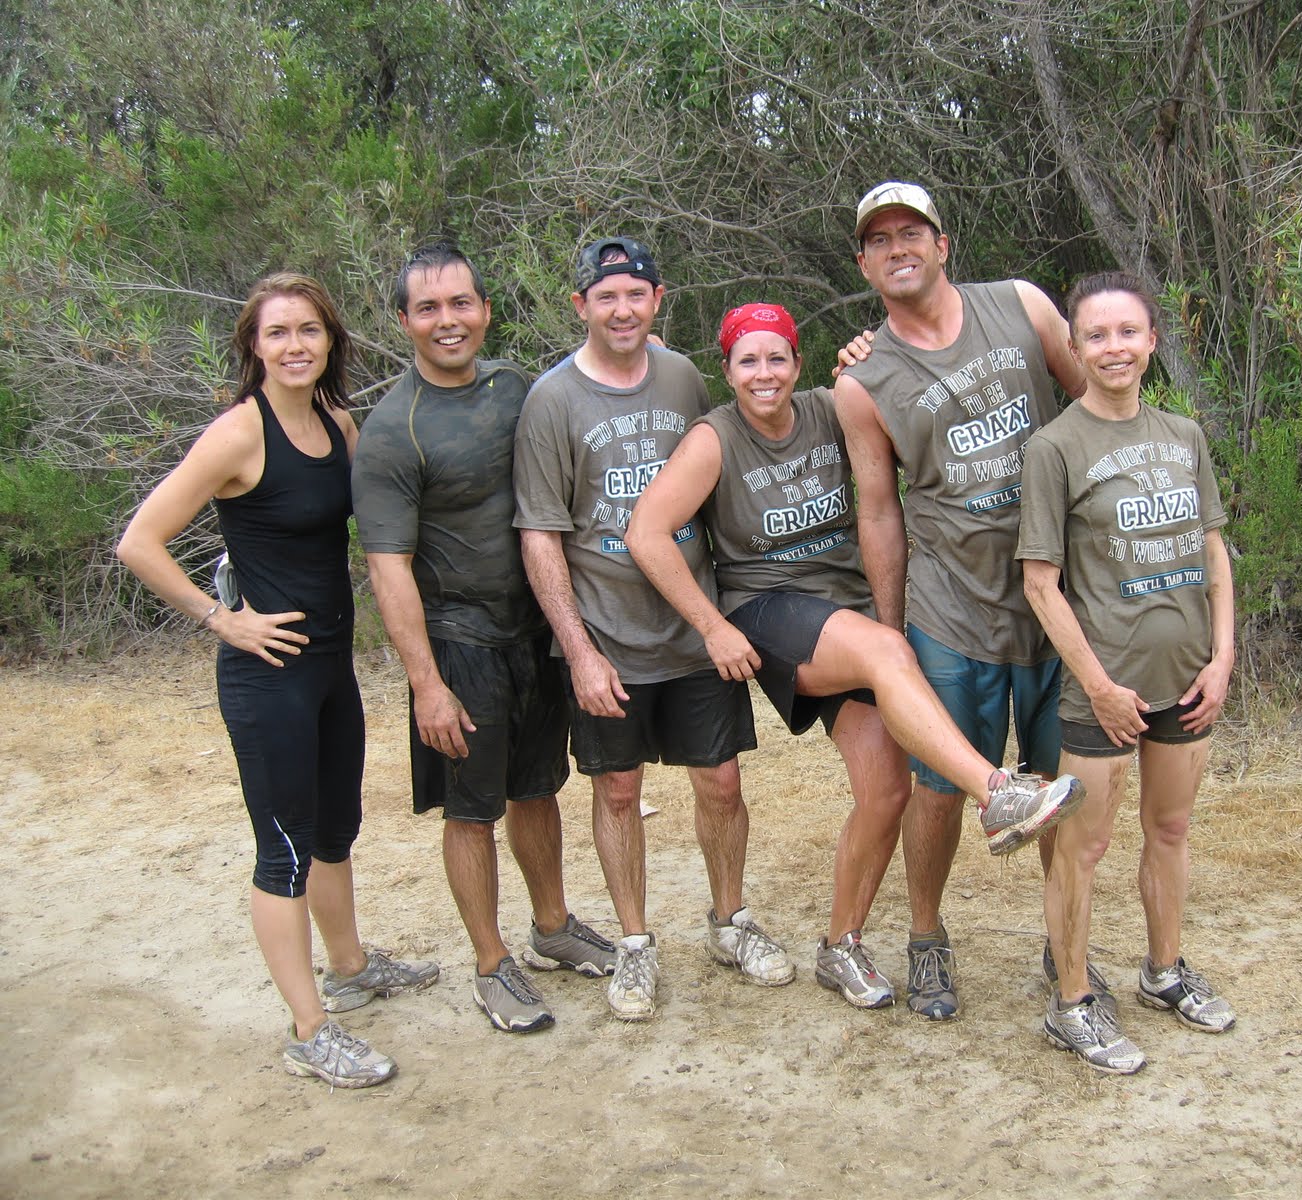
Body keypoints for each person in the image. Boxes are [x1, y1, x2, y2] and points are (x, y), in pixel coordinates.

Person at [626, 302, 1082, 1009]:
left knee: (887, 792)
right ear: (727, 371)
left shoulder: (826, 408)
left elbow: (886, 420)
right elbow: (646, 532)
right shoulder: (714, 440)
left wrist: (872, 355)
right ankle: (997, 793)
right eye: (748, 360)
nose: (764, 372)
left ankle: (841, 945)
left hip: (847, 610)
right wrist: (711, 626)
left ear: (799, 363)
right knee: (887, 648)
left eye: (778, 357)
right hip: (770, 610)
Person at [116, 273, 437, 1089]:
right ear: (253, 347)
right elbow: (140, 542)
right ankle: (308, 1028)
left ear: (330, 340)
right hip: (269, 679)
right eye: (277, 333)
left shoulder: (338, 424)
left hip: (330, 666)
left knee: (336, 830)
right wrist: (220, 617)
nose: (295, 345)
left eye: (309, 331)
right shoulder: (238, 435)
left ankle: (352, 968)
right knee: (285, 850)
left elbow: (384, 518)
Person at [515, 239, 797, 1023]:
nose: (622, 310)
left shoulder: (680, 377)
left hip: (692, 631)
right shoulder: (551, 401)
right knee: (617, 792)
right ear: (580, 306)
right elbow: (541, 534)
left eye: (635, 294)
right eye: (605, 297)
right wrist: (576, 651)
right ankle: (635, 945)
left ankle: (729, 921)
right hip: (608, 638)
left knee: (723, 783)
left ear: (658, 298)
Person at [833, 181, 1089, 1020]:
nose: (899, 247)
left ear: (944, 245)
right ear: (865, 263)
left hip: (1058, 596)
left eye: (914, 231)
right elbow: (878, 508)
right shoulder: (862, 382)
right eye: (880, 239)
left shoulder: (1020, 306)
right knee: (940, 789)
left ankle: (1067, 949)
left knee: (1058, 783)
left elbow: (1097, 404)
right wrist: (889, 629)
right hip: (953, 607)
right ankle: (926, 936)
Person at [352, 242, 616, 1036]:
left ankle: (552, 927)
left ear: (485, 310)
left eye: (460, 303)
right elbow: (388, 571)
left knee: (537, 790)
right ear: (403, 321)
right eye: (428, 308)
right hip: (459, 642)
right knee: (472, 811)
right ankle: (492, 964)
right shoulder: (393, 432)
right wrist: (427, 683)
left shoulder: (515, 389)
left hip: (534, 630)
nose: (447, 321)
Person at [1018, 270, 1237, 1074]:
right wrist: (1100, 687)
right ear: (1073, 347)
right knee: (1084, 847)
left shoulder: (1184, 437)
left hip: (1185, 678)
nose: (1114, 348)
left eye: (1128, 333)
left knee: (1171, 828)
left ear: (1152, 341)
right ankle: (1071, 1001)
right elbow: (1040, 581)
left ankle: (1163, 972)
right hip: (1099, 690)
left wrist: (1223, 658)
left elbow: (1212, 546)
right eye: (1096, 335)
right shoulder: (1055, 448)